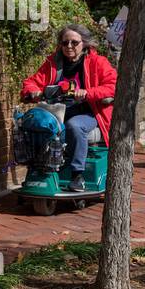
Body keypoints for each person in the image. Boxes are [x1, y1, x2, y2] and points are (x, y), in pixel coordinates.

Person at [20, 23, 117, 192]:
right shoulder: (53, 63)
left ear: (84, 43)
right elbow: (32, 82)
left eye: (74, 42)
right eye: (65, 43)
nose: (69, 46)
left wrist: (87, 93)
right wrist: (33, 92)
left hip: (90, 113)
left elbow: (113, 85)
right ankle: (38, 169)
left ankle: (77, 175)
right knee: (35, 124)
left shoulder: (97, 62)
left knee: (74, 125)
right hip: (58, 113)